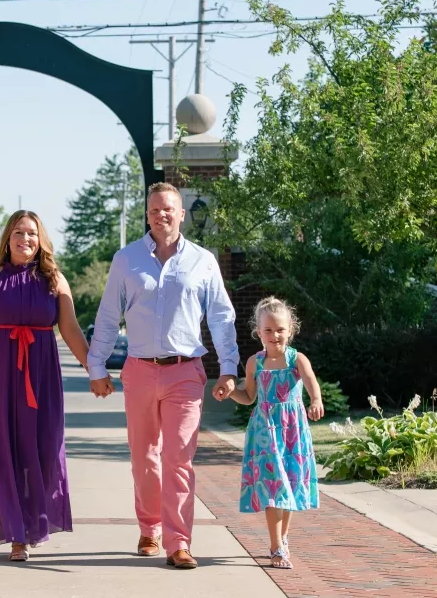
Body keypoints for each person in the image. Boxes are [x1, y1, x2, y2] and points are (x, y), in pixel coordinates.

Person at [88, 182, 239, 570]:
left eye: (169, 209)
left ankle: (179, 542)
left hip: (185, 372)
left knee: (178, 459)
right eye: (155, 210)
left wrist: (228, 368)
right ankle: (149, 527)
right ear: (148, 215)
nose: (162, 215)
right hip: (138, 371)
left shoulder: (203, 261)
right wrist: (97, 366)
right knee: (144, 458)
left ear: (182, 213)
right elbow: (107, 316)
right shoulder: (126, 260)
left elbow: (221, 317)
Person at [0, 210, 90, 562]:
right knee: (5, 450)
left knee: (45, 447)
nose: (25, 239)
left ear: (41, 239)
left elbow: (71, 331)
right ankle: (17, 535)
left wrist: (94, 368)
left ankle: (36, 523)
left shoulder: (55, 281)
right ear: (8, 237)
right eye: (18, 232)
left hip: (42, 373)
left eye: (32, 233)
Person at [231, 296, 322, 570]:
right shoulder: (254, 363)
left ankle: (282, 539)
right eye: (268, 330)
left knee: (290, 485)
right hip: (264, 432)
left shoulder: (297, 359)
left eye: (280, 329)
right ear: (258, 332)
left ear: (290, 330)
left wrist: (315, 400)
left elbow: (311, 383)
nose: (274, 335)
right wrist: (229, 393)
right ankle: (275, 546)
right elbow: (249, 396)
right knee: (273, 486)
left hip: (293, 431)